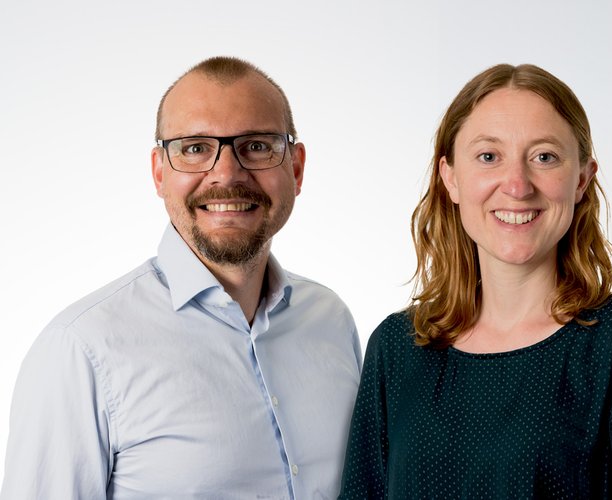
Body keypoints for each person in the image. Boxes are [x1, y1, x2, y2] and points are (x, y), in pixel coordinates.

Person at [1, 56, 362, 499]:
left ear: (297, 168)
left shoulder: (330, 320)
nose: (227, 173)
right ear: (159, 172)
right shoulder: (81, 349)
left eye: (256, 146)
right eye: (194, 149)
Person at [339, 64, 612, 498]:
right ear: (450, 178)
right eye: (488, 157)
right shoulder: (397, 347)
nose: (517, 185)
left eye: (544, 157)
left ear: (582, 178)